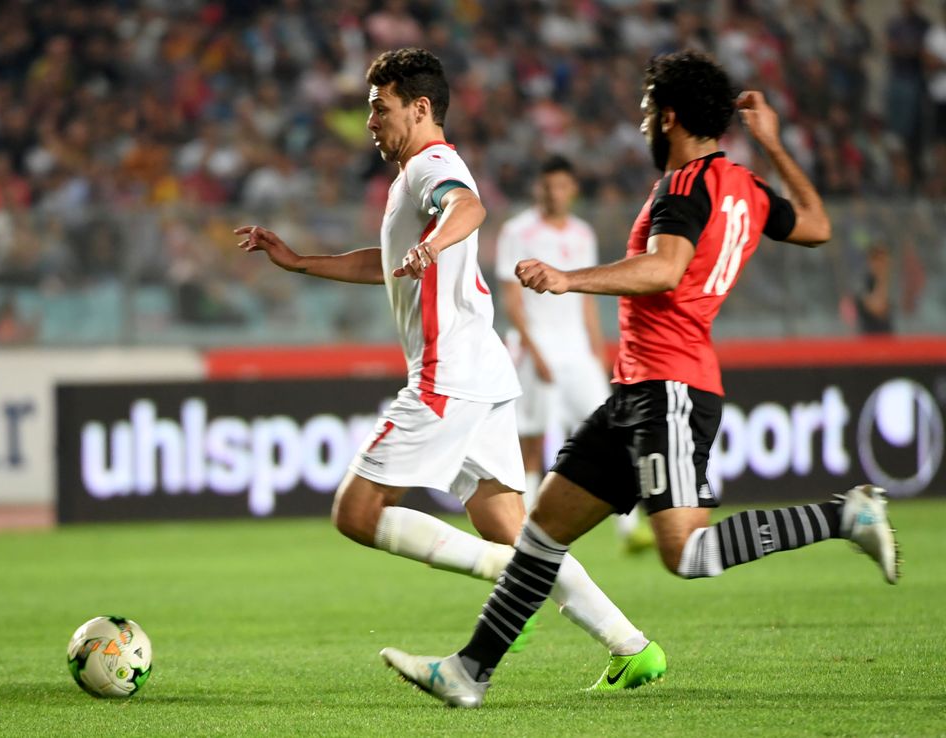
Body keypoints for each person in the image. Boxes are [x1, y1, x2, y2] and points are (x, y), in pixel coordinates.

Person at [381, 50, 900, 709]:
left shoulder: (685, 187)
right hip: (636, 389)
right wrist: (771, 147)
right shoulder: (742, 185)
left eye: (649, 112)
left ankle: (843, 514)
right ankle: (468, 673)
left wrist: (570, 280)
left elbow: (664, 270)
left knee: (686, 552)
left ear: (672, 117)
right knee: (542, 529)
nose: (644, 126)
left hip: (672, 388)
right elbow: (818, 226)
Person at [235, 48, 651, 682]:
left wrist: (431, 244)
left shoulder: (433, 165)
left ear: (420, 108)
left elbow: (469, 208)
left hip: (447, 371)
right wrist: (299, 262)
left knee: (356, 512)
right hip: (479, 367)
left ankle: (510, 581)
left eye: (380, 108)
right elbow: (384, 262)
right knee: (515, 529)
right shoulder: (411, 177)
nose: (370, 122)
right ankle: (632, 646)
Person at [495, 154, 652, 552]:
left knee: (614, 435)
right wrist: (533, 351)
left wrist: (598, 350)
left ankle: (630, 529)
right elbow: (511, 300)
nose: (553, 193)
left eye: (561, 185)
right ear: (538, 188)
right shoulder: (518, 230)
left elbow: (586, 298)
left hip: (577, 351)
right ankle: (525, 530)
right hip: (537, 349)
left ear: (572, 189)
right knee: (533, 440)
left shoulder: (582, 233)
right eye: (547, 186)